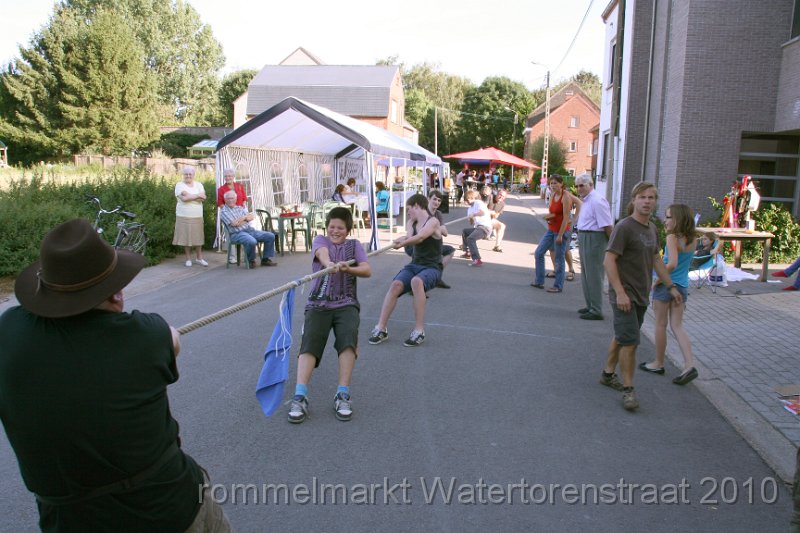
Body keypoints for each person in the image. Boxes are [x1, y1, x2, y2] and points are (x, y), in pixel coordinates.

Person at [0, 219, 232, 531]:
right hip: (166, 511)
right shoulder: (142, 336)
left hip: (68, 522)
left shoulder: (8, 331)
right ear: (116, 296)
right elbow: (172, 341)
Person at [599, 181, 682, 411]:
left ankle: (607, 374)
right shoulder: (624, 227)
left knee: (624, 335)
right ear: (634, 200)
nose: (647, 201)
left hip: (641, 294)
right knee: (631, 343)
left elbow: (656, 259)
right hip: (624, 296)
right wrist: (620, 292)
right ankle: (628, 389)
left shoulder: (652, 229)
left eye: (651, 197)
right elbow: (609, 260)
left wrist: (671, 286)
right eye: (642, 197)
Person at [287, 207, 372, 424]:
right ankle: (300, 395)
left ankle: (342, 394)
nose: (335, 231)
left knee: (348, 340)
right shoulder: (320, 241)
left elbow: (366, 269)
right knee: (309, 343)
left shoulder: (355, 246)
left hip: (346, 303)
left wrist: (348, 269)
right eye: (332, 226)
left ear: (348, 229)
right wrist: (330, 265)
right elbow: (321, 254)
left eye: (340, 228)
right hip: (319, 303)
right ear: (327, 227)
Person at [369, 194, 443, 347]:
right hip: (415, 264)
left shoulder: (433, 221)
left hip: (432, 267)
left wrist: (403, 244)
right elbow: (410, 237)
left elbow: (421, 237)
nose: (407, 213)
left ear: (416, 205)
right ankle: (381, 328)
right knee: (396, 284)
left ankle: (419, 331)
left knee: (416, 282)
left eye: (409, 209)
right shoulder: (411, 222)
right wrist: (401, 239)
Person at [639, 204, 698, 384]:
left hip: (667, 285)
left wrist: (658, 281)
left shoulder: (673, 237)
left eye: (668, 217)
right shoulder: (692, 239)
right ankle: (689, 365)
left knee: (660, 324)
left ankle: (658, 362)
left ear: (678, 219)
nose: (665, 220)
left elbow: (671, 263)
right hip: (682, 286)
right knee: (677, 326)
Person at [575, 174, 614, 320]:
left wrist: (612, 245)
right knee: (586, 274)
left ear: (590, 185)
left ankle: (596, 309)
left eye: (582, 185)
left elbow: (607, 225)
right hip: (586, 236)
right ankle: (591, 305)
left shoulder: (597, 200)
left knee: (594, 274)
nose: (579, 188)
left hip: (595, 238)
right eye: (578, 186)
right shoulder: (587, 200)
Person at [532, 175, 573, 293]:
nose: (552, 185)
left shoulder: (566, 197)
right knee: (539, 252)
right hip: (551, 229)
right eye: (551, 183)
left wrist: (560, 235)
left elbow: (566, 217)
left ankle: (558, 285)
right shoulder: (552, 195)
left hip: (561, 231)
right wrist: (548, 217)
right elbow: (554, 213)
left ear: (561, 184)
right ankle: (539, 281)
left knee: (559, 259)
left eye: (555, 183)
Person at [219, 190, 277, 268]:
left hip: (250, 230)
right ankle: (251, 260)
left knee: (270, 236)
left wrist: (242, 219)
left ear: (236, 199)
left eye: (232, 198)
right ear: (225, 200)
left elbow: (251, 217)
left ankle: (265, 259)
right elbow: (234, 224)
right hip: (237, 234)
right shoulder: (224, 211)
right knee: (251, 241)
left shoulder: (239, 208)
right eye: (228, 199)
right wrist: (245, 218)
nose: (230, 200)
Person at [173, 165, 208, 267]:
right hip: (183, 215)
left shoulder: (199, 184)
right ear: (183, 175)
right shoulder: (179, 185)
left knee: (198, 237)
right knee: (186, 237)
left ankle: (199, 258)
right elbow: (184, 199)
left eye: (190, 174)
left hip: (197, 215)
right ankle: (188, 259)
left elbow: (203, 198)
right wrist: (197, 195)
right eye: (186, 174)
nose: (188, 176)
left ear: (194, 175)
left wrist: (190, 196)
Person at [427, 190, 454, 288]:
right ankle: (416, 286)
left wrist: (435, 226)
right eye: (434, 199)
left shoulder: (438, 213)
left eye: (439, 200)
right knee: (426, 262)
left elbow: (445, 233)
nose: (437, 202)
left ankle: (436, 276)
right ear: (428, 199)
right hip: (421, 244)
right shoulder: (423, 213)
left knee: (450, 251)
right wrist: (438, 226)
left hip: (435, 245)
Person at [460, 188, 493, 267]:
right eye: (466, 200)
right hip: (478, 227)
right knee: (465, 231)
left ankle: (477, 259)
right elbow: (471, 223)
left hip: (485, 228)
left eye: (468, 200)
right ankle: (467, 252)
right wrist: (471, 218)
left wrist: (474, 214)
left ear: (472, 198)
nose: (467, 202)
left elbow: (482, 212)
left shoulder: (479, 203)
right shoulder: (469, 209)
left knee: (471, 239)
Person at [491, 188, 508, 252]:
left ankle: (497, 246)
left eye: (503, 196)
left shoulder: (502, 204)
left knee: (502, 226)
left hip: (491, 220)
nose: (501, 197)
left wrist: (494, 214)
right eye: (500, 194)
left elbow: (496, 216)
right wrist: (490, 212)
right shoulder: (491, 198)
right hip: (482, 218)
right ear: (497, 194)